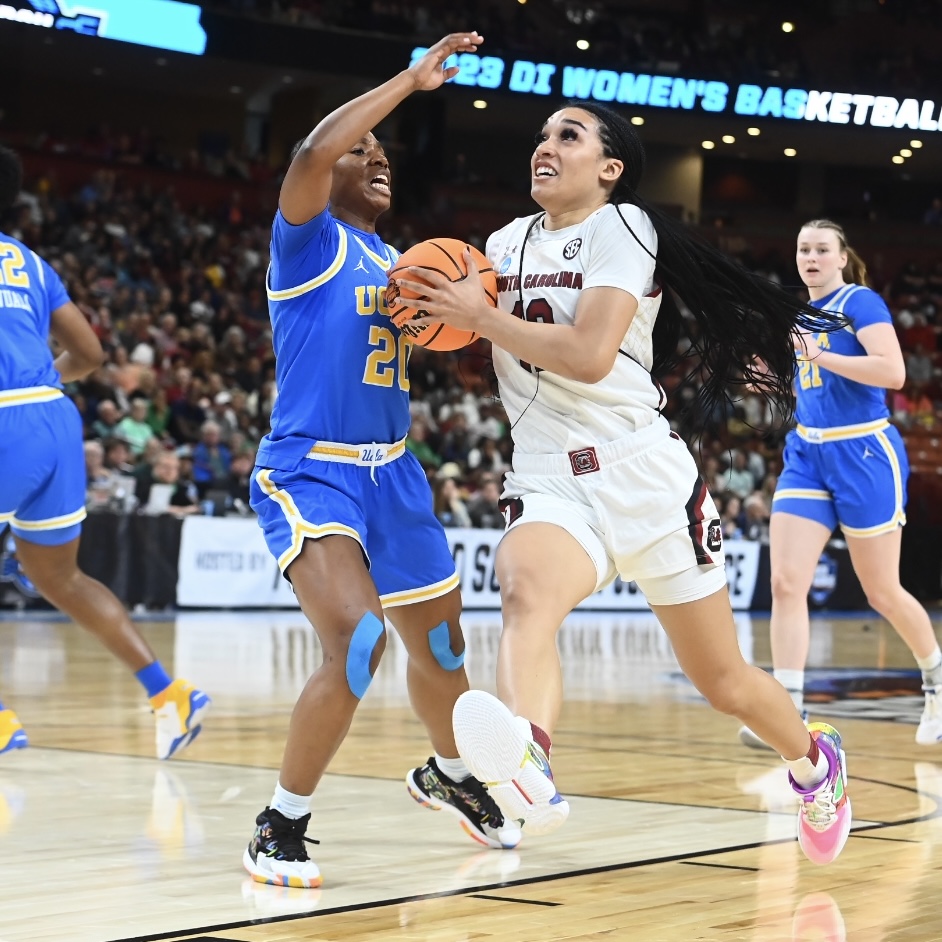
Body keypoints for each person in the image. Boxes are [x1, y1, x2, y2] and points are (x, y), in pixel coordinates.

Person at [393, 100, 852, 866]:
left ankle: (814, 762)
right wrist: (430, 306)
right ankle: (528, 759)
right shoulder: (502, 244)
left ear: (609, 168)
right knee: (524, 593)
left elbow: (589, 354)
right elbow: (463, 318)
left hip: (642, 475)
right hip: (547, 475)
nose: (546, 145)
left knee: (725, 680)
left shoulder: (624, 227)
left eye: (567, 136)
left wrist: (484, 315)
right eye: (540, 134)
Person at [242, 30, 520, 891]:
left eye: (383, 152)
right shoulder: (308, 239)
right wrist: (408, 80)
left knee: (441, 651)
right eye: (361, 151)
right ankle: (278, 824)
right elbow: (311, 148)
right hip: (313, 467)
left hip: (394, 472)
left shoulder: (402, 264)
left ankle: (452, 774)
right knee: (359, 642)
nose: (376, 158)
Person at [0, 145, 210, 760]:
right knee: (58, 576)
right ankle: (168, 693)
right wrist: (39, 385)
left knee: (55, 576)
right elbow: (90, 355)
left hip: (7, 420)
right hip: (57, 418)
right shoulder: (30, 264)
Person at [737, 219, 942, 750]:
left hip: (864, 451)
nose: (811, 257)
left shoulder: (861, 303)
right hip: (808, 451)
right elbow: (814, 382)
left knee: (882, 592)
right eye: (804, 248)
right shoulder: (798, 313)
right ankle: (787, 709)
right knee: (786, 581)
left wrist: (819, 354)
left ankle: (936, 682)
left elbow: (893, 372)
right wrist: (773, 381)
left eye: (822, 249)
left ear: (841, 258)